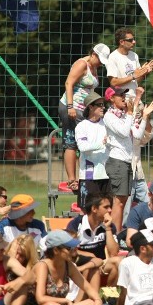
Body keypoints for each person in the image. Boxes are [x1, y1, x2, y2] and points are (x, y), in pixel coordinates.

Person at [33, 231, 112, 305]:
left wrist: (98, 301)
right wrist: (64, 300)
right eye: (69, 248)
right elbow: (40, 299)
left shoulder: (68, 265)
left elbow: (86, 287)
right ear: (56, 250)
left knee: (90, 302)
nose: (73, 250)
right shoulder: (42, 266)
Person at [59, 43, 110, 193]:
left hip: (84, 109)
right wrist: (70, 106)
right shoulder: (82, 64)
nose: (101, 63)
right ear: (93, 54)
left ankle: (87, 176)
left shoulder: (94, 67)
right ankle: (72, 180)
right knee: (71, 142)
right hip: (71, 108)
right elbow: (69, 83)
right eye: (100, 59)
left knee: (85, 141)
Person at [104, 86, 153, 223]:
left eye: (124, 94)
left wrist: (144, 117)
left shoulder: (124, 116)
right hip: (117, 161)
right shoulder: (109, 116)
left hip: (127, 163)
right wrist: (129, 113)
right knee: (119, 202)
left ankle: (119, 234)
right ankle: (116, 235)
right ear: (111, 98)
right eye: (120, 95)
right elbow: (123, 131)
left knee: (122, 201)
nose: (123, 97)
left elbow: (138, 135)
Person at [66, 193, 121, 287]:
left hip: (102, 264)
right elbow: (68, 250)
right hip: (80, 265)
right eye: (106, 207)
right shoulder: (76, 225)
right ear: (94, 209)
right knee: (90, 268)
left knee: (118, 261)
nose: (110, 210)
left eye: (110, 207)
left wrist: (107, 229)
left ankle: (108, 294)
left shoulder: (109, 225)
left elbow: (114, 253)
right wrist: (91, 257)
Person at [75, 92, 110, 207]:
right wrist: (102, 143)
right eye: (100, 105)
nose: (103, 107)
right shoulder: (82, 126)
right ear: (90, 107)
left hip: (107, 173)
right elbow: (83, 147)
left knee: (107, 209)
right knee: (87, 210)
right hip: (89, 174)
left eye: (103, 104)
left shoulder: (107, 124)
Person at [106, 27, 153, 94]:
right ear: (121, 42)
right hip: (122, 98)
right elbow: (113, 82)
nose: (134, 42)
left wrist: (143, 72)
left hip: (135, 96)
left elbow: (137, 80)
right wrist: (133, 76)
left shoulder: (134, 55)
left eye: (133, 39)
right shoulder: (113, 57)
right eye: (130, 40)